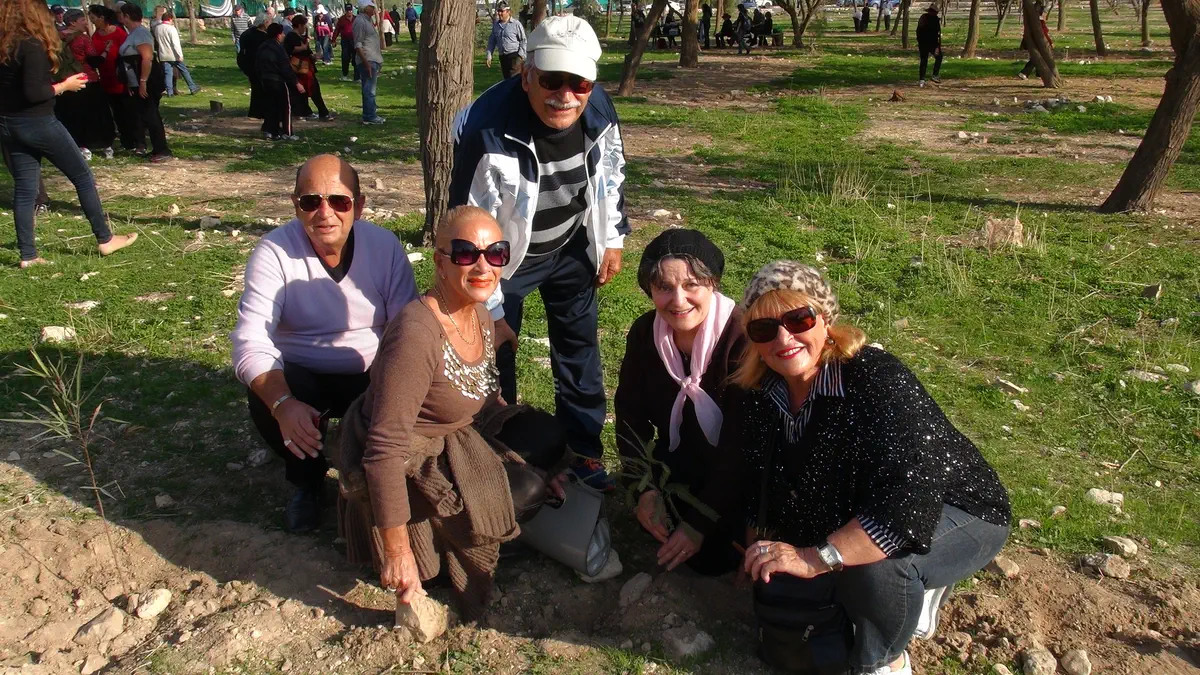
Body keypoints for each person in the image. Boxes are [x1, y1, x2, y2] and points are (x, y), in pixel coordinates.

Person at [729, 261, 1011, 675]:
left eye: (798, 319)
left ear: (826, 321)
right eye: (764, 328)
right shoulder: (763, 392)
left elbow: (909, 501)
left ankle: (884, 660)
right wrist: (759, 546)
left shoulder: (875, 379)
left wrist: (814, 558)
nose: (784, 338)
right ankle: (889, 602)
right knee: (830, 562)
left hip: (958, 508)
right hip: (867, 502)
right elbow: (759, 477)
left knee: (881, 568)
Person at [449, 16, 630, 492]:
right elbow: (469, 228)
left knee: (579, 348)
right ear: (527, 73)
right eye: (552, 80)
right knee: (495, 352)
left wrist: (612, 237)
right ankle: (506, 456)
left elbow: (612, 171)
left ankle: (584, 450)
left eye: (579, 83)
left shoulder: (598, 107)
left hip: (570, 245)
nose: (565, 95)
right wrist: (490, 310)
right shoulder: (487, 129)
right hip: (504, 260)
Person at [230, 154, 418, 533]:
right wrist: (282, 404)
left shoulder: (384, 247)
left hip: (370, 373)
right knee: (267, 391)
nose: (325, 213)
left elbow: (406, 329)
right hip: (305, 374)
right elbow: (250, 341)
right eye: (311, 201)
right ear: (295, 206)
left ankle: (377, 473)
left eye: (339, 201)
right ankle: (308, 482)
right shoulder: (273, 252)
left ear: (359, 206)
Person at [615, 230, 747, 576]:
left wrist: (700, 521)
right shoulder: (646, 333)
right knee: (662, 528)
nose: (678, 300)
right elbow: (630, 413)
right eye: (664, 287)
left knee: (714, 557)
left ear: (712, 283)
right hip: (683, 459)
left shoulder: (741, 338)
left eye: (692, 285)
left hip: (742, 471)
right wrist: (644, 488)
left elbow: (743, 442)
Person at [0, 0, 138, 268]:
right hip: (37, 122)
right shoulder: (31, 45)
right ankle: (105, 238)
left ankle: (28, 255)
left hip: (8, 124)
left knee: (25, 189)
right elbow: (34, 93)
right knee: (82, 177)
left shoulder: (4, 46)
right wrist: (65, 85)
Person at [55, 9, 115, 161]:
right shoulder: (82, 39)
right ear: (73, 22)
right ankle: (105, 145)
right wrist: (106, 50)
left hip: (66, 82)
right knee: (97, 115)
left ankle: (81, 146)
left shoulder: (56, 37)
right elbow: (94, 61)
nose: (86, 24)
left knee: (74, 116)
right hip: (87, 80)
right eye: (82, 20)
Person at [118, 2, 171, 162]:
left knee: (151, 114)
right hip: (135, 81)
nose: (119, 17)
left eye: (121, 14)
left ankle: (162, 150)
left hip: (146, 81)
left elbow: (147, 58)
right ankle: (156, 148)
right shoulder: (132, 34)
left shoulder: (141, 33)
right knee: (144, 115)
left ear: (127, 16)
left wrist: (143, 82)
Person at [88, 4, 135, 155]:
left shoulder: (119, 33)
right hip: (105, 77)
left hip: (120, 77)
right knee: (115, 111)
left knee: (126, 109)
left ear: (101, 18)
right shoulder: (96, 35)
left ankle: (133, 141)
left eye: (93, 18)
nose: (91, 21)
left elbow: (127, 55)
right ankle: (123, 140)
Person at [257, 22, 302, 140]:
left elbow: (257, 65)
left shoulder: (262, 46)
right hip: (278, 81)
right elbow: (285, 68)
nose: (283, 36)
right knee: (286, 107)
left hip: (265, 80)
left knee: (271, 106)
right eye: (282, 33)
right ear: (278, 35)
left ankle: (271, 131)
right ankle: (288, 132)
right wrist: (296, 82)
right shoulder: (279, 48)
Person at [285, 15, 335, 121]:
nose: (305, 28)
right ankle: (322, 112)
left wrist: (314, 56)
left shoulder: (301, 37)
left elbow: (307, 52)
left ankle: (306, 111)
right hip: (300, 67)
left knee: (307, 90)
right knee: (312, 88)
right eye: (304, 25)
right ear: (299, 25)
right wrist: (303, 47)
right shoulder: (291, 36)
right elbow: (291, 49)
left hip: (307, 66)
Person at [153, 12, 201, 96]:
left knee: (168, 73)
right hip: (173, 55)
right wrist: (180, 55)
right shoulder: (171, 29)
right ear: (170, 19)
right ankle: (192, 87)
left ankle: (170, 92)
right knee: (184, 70)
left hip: (163, 54)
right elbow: (175, 44)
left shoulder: (157, 28)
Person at [353, 0, 386, 124]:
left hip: (373, 59)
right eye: (372, 7)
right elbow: (358, 44)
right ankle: (369, 116)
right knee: (369, 90)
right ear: (365, 8)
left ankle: (371, 113)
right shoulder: (360, 21)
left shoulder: (368, 21)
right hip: (367, 60)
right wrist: (365, 62)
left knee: (370, 89)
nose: (374, 9)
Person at [239, 14, 270, 120]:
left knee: (256, 89)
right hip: (260, 67)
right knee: (262, 89)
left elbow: (242, 52)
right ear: (265, 23)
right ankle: (261, 112)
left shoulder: (246, 34)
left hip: (249, 66)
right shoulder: (264, 37)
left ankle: (255, 111)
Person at [486, 1, 527, 80]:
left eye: (502, 11)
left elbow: (523, 40)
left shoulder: (516, 24)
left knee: (514, 80)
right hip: (503, 57)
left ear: (508, 12)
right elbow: (492, 41)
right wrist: (489, 55)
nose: (499, 13)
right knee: (507, 80)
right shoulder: (496, 25)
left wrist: (520, 56)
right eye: (498, 11)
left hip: (514, 56)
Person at [1017, 1, 1052, 81]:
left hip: (1033, 41)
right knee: (1036, 57)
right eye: (1045, 13)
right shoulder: (1039, 22)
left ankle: (1039, 74)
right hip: (1037, 42)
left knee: (1039, 56)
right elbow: (1043, 33)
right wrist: (1050, 42)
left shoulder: (1034, 20)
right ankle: (1024, 72)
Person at [915, 3, 941, 87]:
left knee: (938, 57)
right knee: (924, 60)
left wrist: (938, 46)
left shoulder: (932, 19)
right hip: (926, 43)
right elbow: (919, 31)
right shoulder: (925, 18)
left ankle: (932, 76)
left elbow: (938, 34)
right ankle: (922, 79)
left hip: (930, 43)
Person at [332, 3, 357, 81]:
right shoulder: (341, 19)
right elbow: (337, 30)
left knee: (356, 59)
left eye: (350, 10)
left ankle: (357, 77)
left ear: (352, 10)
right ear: (345, 11)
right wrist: (333, 40)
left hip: (355, 41)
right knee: (345, 58)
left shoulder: (356, 19)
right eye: (347, 10)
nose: (349, 12)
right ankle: (345, 75)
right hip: (345, 41)